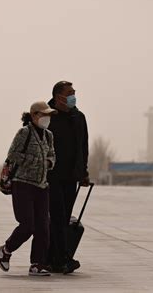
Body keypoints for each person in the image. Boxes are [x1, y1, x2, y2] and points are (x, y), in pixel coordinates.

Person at [0, 101, 56, 276]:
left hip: (42, 185)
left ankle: (37, 264)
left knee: (43, 227)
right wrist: (35, 161)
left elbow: (52, 155)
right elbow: (12, 154)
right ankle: (6, 250)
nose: (47, 118)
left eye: (49, 115)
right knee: (28, 225)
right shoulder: (24, 133)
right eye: (44, 114)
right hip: (22, 184)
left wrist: (49, 162)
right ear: (34, 115)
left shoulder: (49, 135)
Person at [46, 81, 89, 274]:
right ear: (58, 97)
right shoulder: (48, 117)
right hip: (51, 176)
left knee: (62, 219)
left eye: (74, 93)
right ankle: (62, 259)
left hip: (71, 177)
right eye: (69, 93)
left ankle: (53, 258)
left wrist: (84, 173)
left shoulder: (78, 118)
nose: (73, 96)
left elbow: (83, 148)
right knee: (56, 217)